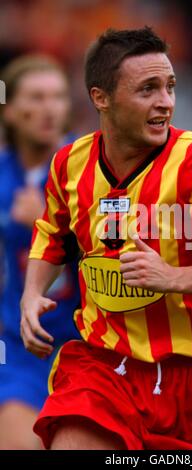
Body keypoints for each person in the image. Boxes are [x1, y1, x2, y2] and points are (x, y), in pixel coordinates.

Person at [20, 27, 192, 450]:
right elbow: (52, 233)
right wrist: (31, 294)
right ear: (100, 98)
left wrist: (173, 277)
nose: (166, 101)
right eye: (148, 89)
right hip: (105, 369)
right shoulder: (69, 163)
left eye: (170, 86)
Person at [0, 56, 80, 449]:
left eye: (58, 97)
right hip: (21, 348)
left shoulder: (89, 171)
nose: (51, 108)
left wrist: (42, 226)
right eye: (37, 97)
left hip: (87, 346)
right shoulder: (1, 174)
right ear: (10, 110)